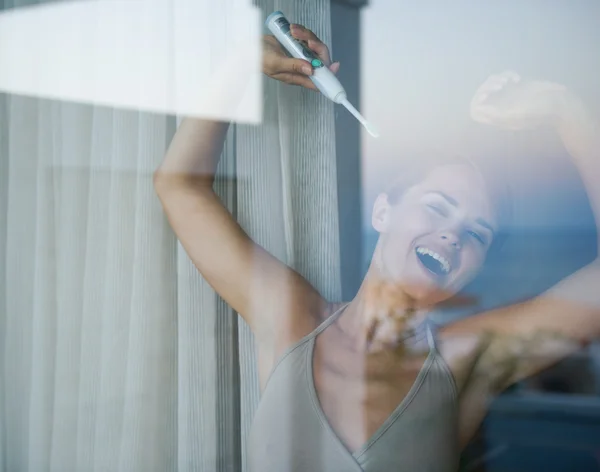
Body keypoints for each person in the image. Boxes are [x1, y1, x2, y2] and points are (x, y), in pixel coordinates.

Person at [154, 23, 600, 472]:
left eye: (477, 233)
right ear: (383, 213)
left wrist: (569, 112)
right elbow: (180, 187)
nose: (453, 235)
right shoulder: (293, 320)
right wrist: (240, 66)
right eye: (437, 207)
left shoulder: (468, 360)